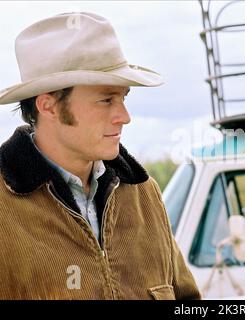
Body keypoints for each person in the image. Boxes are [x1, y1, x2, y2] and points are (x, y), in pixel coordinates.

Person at [0, 12, 200, 299]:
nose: (124, 116)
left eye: (123, 98)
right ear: (49, 106)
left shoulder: (144, 194)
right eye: (106, 100)